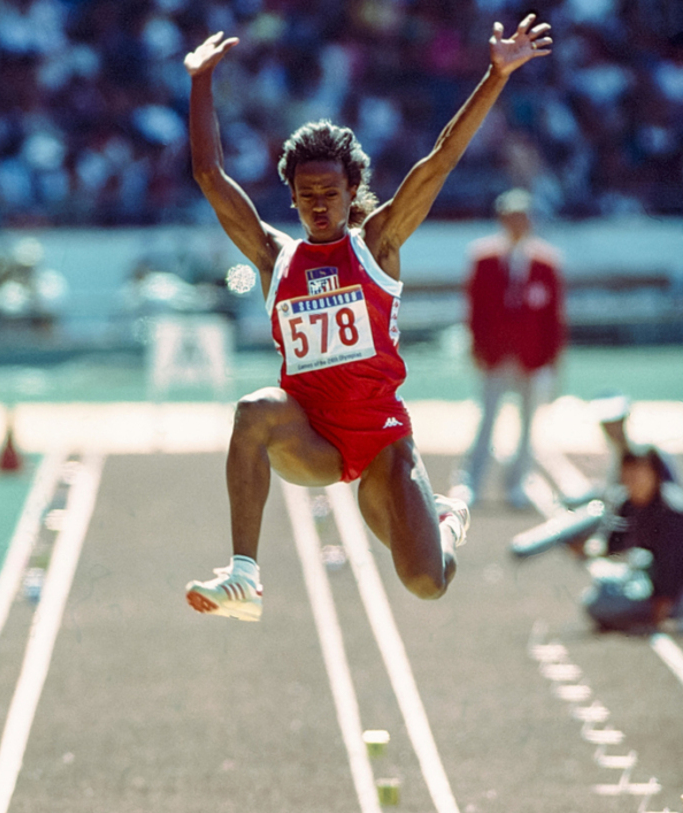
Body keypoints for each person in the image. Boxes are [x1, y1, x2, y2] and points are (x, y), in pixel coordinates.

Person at [183, 18, 553, 622]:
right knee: (252, 410)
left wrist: (494, 75)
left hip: (381, 439)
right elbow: (209, 176)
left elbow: (438, 162)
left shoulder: (375, 245)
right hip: (312, 436)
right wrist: (201, 82)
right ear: (294, 197)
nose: (319, 204)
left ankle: (446, 522)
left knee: (427, 583)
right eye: (306, 195)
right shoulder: (277, 256)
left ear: (352, 188)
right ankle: (244, 576)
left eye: (330, 191)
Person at [453, 188, 566, 509]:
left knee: (529, 424)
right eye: (512, 216)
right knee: (487, 419)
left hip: (533, 357)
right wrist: (476, 347)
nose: (519, 223)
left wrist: (553, 360)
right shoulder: (483, 258)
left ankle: (517, 483)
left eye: (524, 216)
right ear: (502, 219)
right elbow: (474, 308)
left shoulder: (547, 262)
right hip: (496, 355)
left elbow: (554, 317)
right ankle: (470, 481)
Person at [582, 447, 683, 633]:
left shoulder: (672, 512)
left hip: (676, 590)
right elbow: (612, 546)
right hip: (649, 578)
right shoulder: (626, 503)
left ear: (655, 474)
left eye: (639, 472)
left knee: (602, 605)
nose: (633, 479)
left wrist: (657, 617)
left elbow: (673, 569)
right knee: (597, 597)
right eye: (628, 472)